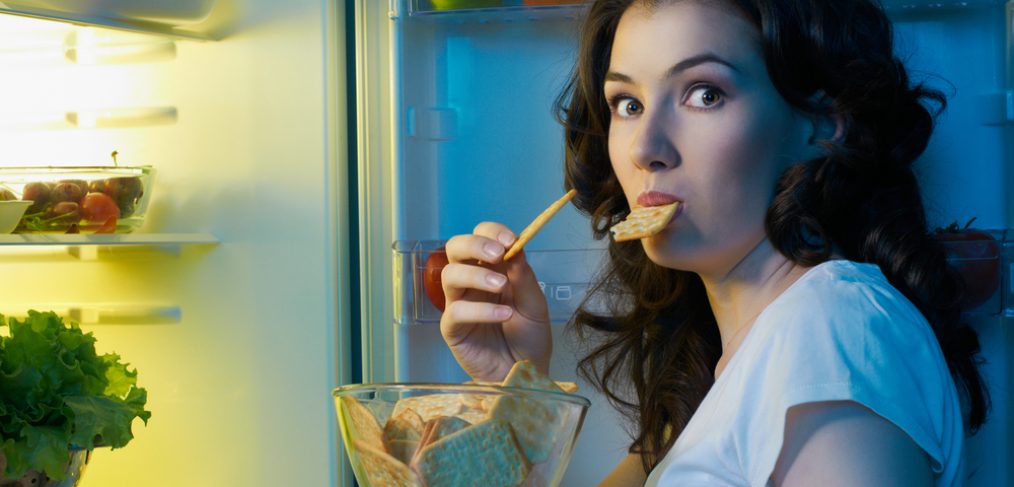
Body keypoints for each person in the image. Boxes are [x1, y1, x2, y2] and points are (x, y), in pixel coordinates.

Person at [437, 0, 990, 485]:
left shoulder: (832, 333)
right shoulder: (730, 364)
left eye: (705, 93)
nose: (645, 148)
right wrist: (517, 388)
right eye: (627, 104)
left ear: (824, 123)